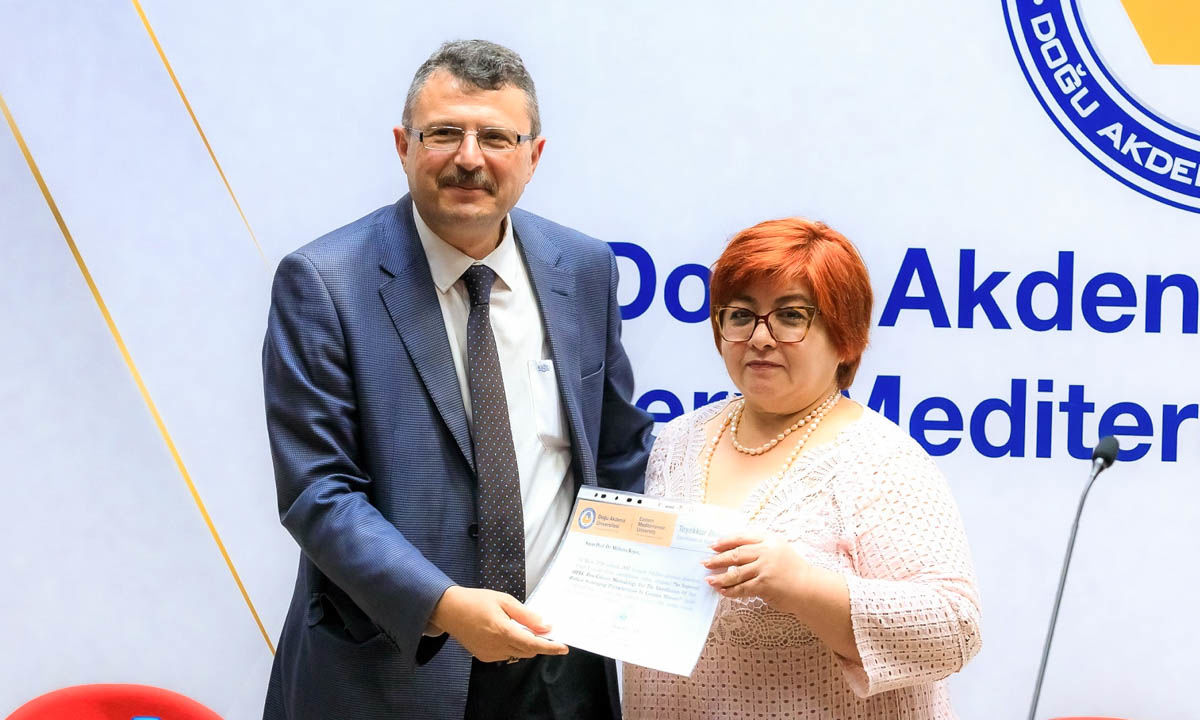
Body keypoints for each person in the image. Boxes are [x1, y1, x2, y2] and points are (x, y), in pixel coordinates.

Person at [261, 40, 654, 720]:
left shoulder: (585, 267)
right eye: (444, 133)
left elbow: (619, 452)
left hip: (562, 667)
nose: (470, 158)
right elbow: (319, 492)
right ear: (402, 145)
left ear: (533, 156)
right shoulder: (325, 282)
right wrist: (444, 606)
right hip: (397, 665)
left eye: (496, 138)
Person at [622, 218, 982, 719]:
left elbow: (955, 629)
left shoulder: (881, 459)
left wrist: (801, 586)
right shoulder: (679, 440)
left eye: (791, 316)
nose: (760, 337)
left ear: (845, 337)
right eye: (741, 315)